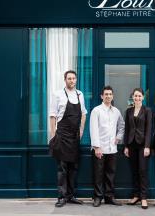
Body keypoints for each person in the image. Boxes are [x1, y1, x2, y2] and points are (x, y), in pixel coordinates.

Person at [49, 70, 87, 207]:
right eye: (69, 78)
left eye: (73, 78)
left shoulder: (80, 94)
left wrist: (81, 130)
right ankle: (61, 197)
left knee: (73, 167)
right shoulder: (58, 94)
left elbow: (83, 113)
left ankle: (71, 196)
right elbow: (53, 115)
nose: (71, 80)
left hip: (75, 136)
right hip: (62, 135)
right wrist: (53, 135)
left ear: (76, 80)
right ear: (65, 80)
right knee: (62, 168)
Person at [90, 85, 125, 207]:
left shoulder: (116, 111)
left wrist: (119, 137)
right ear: (102, 96)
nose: (108, 96)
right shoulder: (96, 110)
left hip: (112, 149)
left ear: (112, 96)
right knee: (98, 174)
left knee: (111, 174)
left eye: (110, 94)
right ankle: (98, 197)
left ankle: (109, 197)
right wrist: (97, 147)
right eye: (106, 94)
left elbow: (122, 126)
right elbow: (93, 129)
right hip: (100, 149)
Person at [124, 88, 152, 209]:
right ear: (133, 97)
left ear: (143, 97)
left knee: (142, 171)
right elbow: (127, 129)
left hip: (142, 145)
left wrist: (147, 146)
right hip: (131, 144)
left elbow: (149, 129)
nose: (137, 98)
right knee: (134, 171)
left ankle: (144, 197)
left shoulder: (147, 110)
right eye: (135, 96)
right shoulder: (129, 111)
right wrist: (126, 146)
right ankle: (136, 195)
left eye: (139, 96)